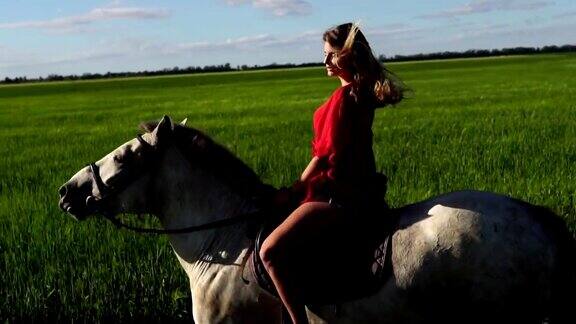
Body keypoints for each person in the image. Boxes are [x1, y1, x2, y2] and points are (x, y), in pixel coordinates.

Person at [259, 22, 406, 324]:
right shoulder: (360, 93)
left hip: (341, 196)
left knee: (269, 251)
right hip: (363, 192)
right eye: (324, 54)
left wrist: (294, 189)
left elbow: (324, 157)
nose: (325, 61)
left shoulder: (344, 99)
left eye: (331, 54)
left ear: (348, 56)